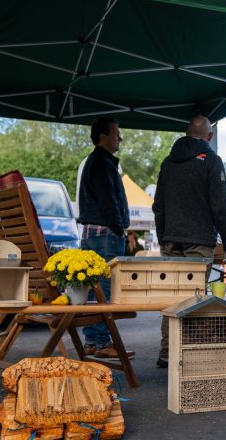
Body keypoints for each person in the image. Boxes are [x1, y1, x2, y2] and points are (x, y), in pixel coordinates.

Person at [152, 115, 226, 368]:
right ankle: (189, 355)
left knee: (174, 298)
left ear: (187, 133)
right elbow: (220, 207)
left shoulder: (168, 162)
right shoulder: (211, 161)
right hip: (199, 242)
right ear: (209, 137)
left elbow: (159, 206)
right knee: (196, 297)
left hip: (171, 241)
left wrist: (163, 238)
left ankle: (167, 353)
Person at [77, 116, 134, 360]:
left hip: (92, 231)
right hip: (105, 233)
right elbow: (108, 199)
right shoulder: (102, 162)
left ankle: (92, 341)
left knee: (91, 288)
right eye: (116, 133)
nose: (119, 138)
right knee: (104, 288)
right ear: (102, 135)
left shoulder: (94, 161)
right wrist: (119, 227)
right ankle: (101, 342)